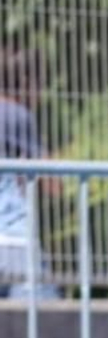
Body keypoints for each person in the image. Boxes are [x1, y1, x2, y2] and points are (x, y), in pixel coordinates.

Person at [0, 47, 50, 299]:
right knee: (42, 326)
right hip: (13, 237)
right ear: (26, 83)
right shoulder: (17, 115)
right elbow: (52, 182)